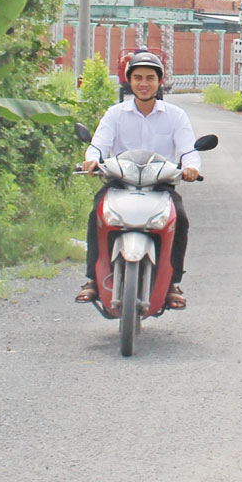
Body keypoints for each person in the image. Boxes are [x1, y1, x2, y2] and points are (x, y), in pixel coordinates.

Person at [77, 51, 201, 309]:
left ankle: (171, 284)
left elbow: (188, 150)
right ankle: (92, 279)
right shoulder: (115, 114)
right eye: (138, 78)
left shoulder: (175, 115)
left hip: (160, 186)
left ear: (160, 82)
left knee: (180, 219)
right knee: (96, 215)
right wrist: (92, 160)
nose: (144, 83)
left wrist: (190, 167)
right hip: (119, 183)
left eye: (150, 78)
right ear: (128, 81)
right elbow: (98, 145)